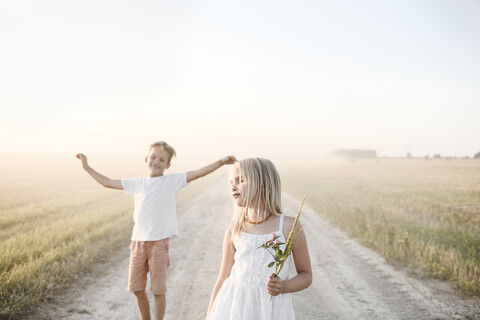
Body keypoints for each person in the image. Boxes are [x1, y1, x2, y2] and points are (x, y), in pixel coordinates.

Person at [76, 141, 236, 320]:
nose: (156, 161)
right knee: (136, 288)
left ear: (168, 165)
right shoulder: (137, 183)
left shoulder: (172, 181)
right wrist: (86, 167)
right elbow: (107, 182)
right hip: (137, 243)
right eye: (153, 157)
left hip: (159, 244)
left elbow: (198, 173)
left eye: (162, 159)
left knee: (158, 290)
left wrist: (220, 162)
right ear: (146, 159)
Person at [206, 158, 312, 320]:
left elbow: (306, 275)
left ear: (263, 184)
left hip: (271, 309)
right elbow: (222, 279)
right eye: (231, 183)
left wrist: (283, 287)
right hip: (235, 308)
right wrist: (210, 314)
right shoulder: (234, 231)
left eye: (241, 180)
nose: (233, 186)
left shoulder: (289, 226)